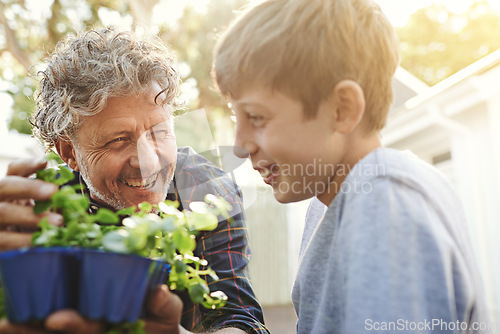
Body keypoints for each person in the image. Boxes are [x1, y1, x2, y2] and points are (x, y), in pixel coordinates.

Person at [212, 0, 491, 333]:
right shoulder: (329, 204)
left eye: (256, 117)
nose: (240, 145)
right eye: (235, 117)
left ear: (342, 109)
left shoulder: (385, 205)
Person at [0, 28, 269, 334]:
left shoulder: (205, 188)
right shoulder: (41, 205)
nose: (149, 162)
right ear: (68, 152)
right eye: (118, 140)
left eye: (160, 132)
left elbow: (238, 320)